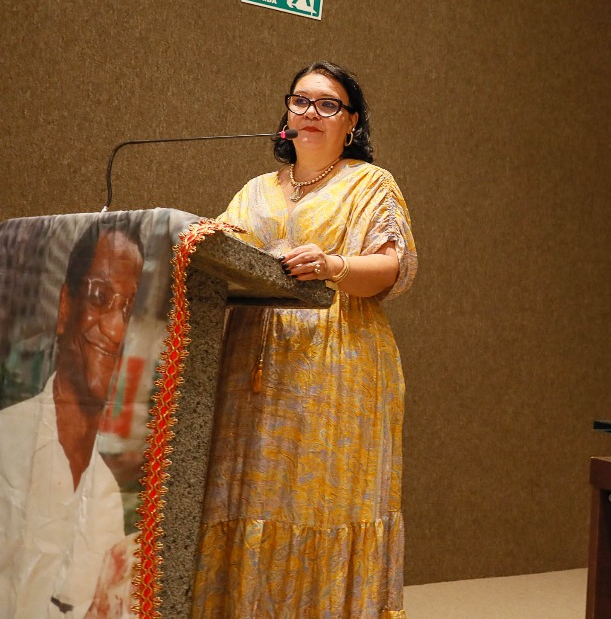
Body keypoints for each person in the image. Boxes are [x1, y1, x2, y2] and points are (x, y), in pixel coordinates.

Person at [192, 62, 417, 619]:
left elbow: (395, 267)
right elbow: (224, 255)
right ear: (285, 114)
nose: (310, 112)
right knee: (250, 497)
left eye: (328, 104)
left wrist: (334, 263)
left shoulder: (370, 183)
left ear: (352, 122)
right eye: (300, 101)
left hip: (338, 366)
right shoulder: (255, 191)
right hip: (253, 368)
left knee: (324, 504)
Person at [0, 217, 144, 619]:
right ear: (66, 307)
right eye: (100, 297)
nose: (115, 329)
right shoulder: (8, 441)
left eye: (128, 309)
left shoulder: (107, 497)